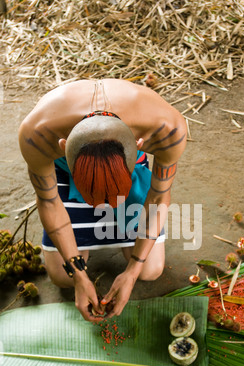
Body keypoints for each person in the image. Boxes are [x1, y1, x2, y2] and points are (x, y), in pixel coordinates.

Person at [18, 79, 187, 323]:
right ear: (63, 147)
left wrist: (132, 271)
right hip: (69, 171)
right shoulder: (37, 135)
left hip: (122, 168)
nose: (101, 208)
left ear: (139, 145)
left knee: (150, 269)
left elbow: (159, 196)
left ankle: (118, 188)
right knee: (61, 277)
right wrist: (78, 276)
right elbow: (48, 201)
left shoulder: (167, 129)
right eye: (93, 200)